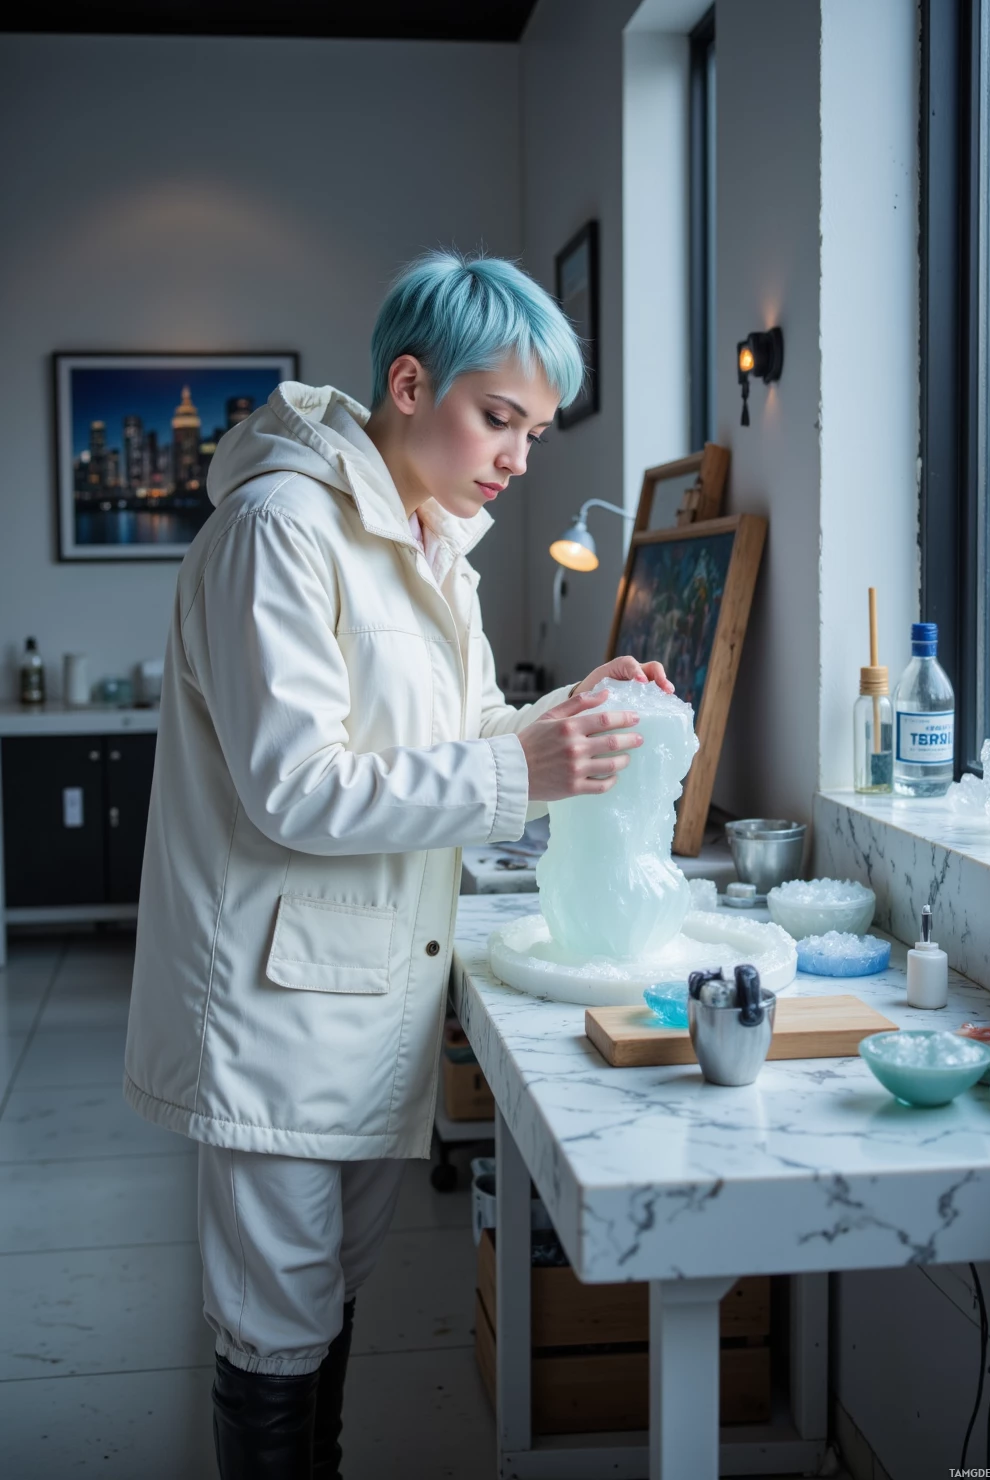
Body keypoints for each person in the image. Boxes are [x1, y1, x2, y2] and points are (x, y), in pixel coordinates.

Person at [123, 250, 674, 1478]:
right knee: (273, 1332)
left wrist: (576, 709)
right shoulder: (280, 530)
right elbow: (295, 787)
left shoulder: (433, 546)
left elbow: (472, 736)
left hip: (367, 993)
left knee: (318, 1313)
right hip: (275, 1007)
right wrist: (515, 771)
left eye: (534, 430)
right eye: (501, 418)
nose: (520, 457)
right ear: (412, 384)